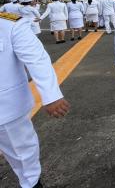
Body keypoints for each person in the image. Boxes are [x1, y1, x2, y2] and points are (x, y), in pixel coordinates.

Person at [0, 12, 70, 188]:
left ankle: (31, 184)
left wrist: (51, 95)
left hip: (6, 108)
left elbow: (37, 59)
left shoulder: (9, 24)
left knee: (22, 155)